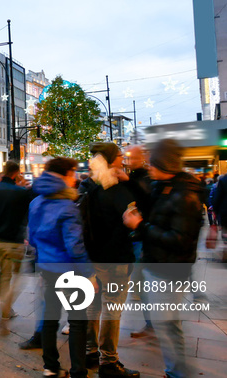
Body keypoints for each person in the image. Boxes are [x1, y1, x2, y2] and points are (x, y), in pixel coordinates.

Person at [123, 139, 204, 378]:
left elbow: (179, 239)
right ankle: (176, 370)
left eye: (152, 162)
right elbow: (149, 203)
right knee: (167, 324)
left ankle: (178, 372)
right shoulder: (164, 186)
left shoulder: (185, 195)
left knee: (166, 325)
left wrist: (141, 225)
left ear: (165, 165)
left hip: (169, 270)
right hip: (157, 262)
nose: (148, 166)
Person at [29, 157, 98, 378]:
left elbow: (31, 238)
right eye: (73, 172)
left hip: (47, 268)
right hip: (71, 272)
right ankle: (78, 370)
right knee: (78, 320)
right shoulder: (68, 207)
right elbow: (75, 246)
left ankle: (50, 367)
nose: (76, 177)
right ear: (65, 175)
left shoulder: (36, 202)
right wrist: (90, 275)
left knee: (50, 318)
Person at [80, 143, 140, 378]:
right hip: (115, 260)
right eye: (119, 155)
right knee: (112, 308)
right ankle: (109, 362)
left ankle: (90, 351)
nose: (123, 157)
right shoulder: (119, 192)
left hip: (94, 258)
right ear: (112, 160)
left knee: (92, 307)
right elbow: (138, 214)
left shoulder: (90, 188)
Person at [0, 160, 32, 335]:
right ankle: (5, 309)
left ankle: (6, 308)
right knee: (18, 278)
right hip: (15, 241)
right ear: (16, 173)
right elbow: (27, 216)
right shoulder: (21, 192)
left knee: (4, 275)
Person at [124, 145, 154, 339]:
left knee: (142, 284)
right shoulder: (134, 177)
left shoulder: (145, 179)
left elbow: (146, 198)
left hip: (143, 237)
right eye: (127, 158)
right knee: (140, 285)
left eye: (132, 158)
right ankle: (153, 323)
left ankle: (154, 324)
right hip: (135, 236)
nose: (128, 161)